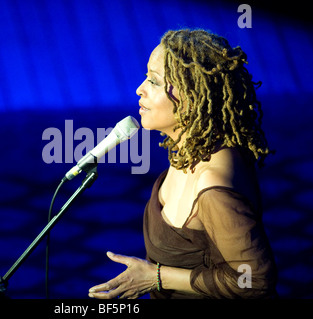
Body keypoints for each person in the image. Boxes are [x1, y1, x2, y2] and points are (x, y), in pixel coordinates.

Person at [88, 29, 278, 299]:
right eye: (146, 77)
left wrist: (155, 277)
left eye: (154, 81)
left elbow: (255, 281)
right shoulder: (187, 152)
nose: (139, 89)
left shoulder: (213, 185)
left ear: (191, 96)